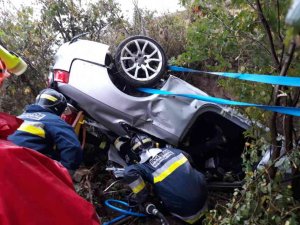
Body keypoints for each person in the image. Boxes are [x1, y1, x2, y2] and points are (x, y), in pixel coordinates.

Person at [114, 133, 208, 224]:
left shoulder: (144, 167)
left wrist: (143, 198)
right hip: (205, 198)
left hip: (186, 212)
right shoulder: (175, 151)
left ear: (136, 153)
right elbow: (191, 163)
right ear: (154, 143)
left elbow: (128, 172)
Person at [8, 88, 83, 175]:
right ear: (59, 108)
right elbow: (73, 146)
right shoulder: (53, 119)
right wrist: (65, 173)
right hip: (25, 164)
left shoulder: (19, 117)